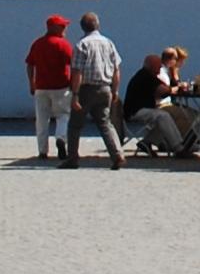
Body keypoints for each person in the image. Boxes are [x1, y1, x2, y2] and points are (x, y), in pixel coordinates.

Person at [70, 12, 128, 169]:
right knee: (105, 123)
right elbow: (116, 69)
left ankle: (72, 158)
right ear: (98, 25)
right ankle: (117, 154)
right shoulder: (108, 43)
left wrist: (75, 94)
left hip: (86, 89)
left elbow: (77, 71)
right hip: (105, 88)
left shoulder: (81, 45)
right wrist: (115, 90)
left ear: (82, 27)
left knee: (75, 125)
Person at [24, 13, 77, 164]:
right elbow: (74, 66)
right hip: (61, 86)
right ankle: (61, 138)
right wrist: (75, 86)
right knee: (63, 115)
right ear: (54, 28)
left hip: (41, 87)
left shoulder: (38, 44)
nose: (65, 28)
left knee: (42, 119)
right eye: (62, 26)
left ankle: (42, 151)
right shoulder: (64, 44)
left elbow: (29, 64)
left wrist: (31, 83)